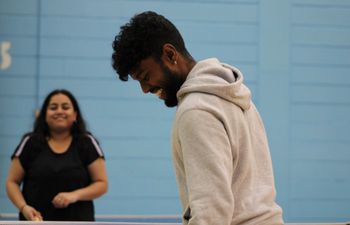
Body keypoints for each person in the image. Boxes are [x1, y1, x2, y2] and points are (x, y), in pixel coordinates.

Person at [111, 11, 284, 225]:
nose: (145, 89)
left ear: (170, 54)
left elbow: (211, 210)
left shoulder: (196, 110)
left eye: (146, 77)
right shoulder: (234, 93)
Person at [6, 89, 108, 221]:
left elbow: (102, 183)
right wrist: (23, 207)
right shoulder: (30, 142)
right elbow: (12, 182)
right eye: (53, 107)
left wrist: (74, 195)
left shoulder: (87, 143)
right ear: (45, 115)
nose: (59, 111)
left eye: (65, 107)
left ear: (75, 114)